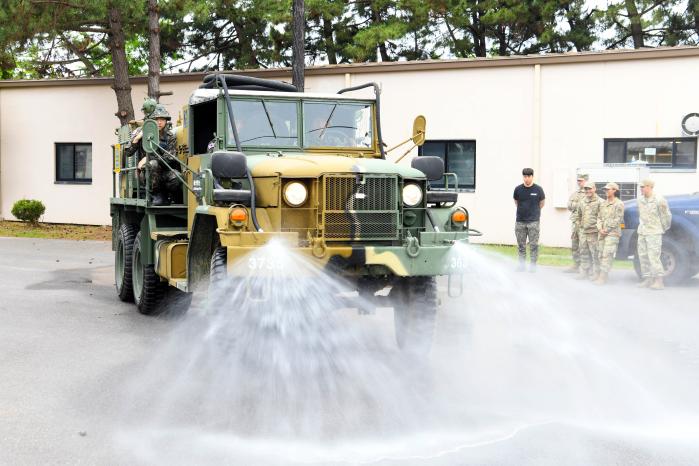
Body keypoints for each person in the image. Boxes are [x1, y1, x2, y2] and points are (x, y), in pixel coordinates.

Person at [130, 104, 180, 206]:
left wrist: (148, 157)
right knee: (153, 164)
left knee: (177, 176)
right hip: (146, 173)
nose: (160, 122)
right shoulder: (141, 131)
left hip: (164, 171)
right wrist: (137, 138)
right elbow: (128, 153)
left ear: (166, 121)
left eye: (162, 119)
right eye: (157, 119)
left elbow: (170, 158)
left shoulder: (170, 136)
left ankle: (168, 196)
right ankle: (156, 195)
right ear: (151, 121)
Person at [636, 178, 672, 290]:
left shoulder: (659, 200)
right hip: (642, 231)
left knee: (653, 257)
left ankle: (659, 281)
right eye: (640, 187)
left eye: (643, 187)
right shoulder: (640, 200)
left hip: (654, 232)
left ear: (649, 187)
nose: (641, 189)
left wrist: (661, 228)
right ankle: (648, 279)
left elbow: (666, 217)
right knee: (643, 256)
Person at [513, 167, 545, 272]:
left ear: (532, 177)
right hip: (520, 222)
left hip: (533, 222)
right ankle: (522, 266)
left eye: (528, 176)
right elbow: (516, 202)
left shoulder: (538, 190)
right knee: (521, 246)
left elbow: (542, 203)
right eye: (524, 176)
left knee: (533, 245)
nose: (526, 179)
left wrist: (533, 213)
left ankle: (533, 266)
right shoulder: (518, 189)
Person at [594, 182, 624, 285]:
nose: (606, 191)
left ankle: (602, 277)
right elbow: (599, 218)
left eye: (608, 189)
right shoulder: (603, 203)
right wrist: (600, 228)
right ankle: (603, 275)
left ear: (614, 190)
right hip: (602, 233)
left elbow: (618, 219)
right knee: (600, 254)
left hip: (612, 233)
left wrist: (606, 229)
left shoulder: (619, 204)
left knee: (607, 255)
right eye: (605, 190)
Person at [576, 180, 603, 280]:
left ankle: (597, 273)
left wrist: (599, 229)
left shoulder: (600, 202)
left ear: (594, 189)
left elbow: (602, 217)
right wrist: (580, 226)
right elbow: (578, 215)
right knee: (583, 252)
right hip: (583, 231)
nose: (588, 191)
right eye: (586, 189)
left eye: (590, 188)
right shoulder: (582, 201)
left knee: (595, 253)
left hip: (594, 232)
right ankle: (584, 272)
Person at [565, 172, 588, 274]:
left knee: (584, 245)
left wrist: (576, 205)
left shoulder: (589, 192)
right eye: (578, 181)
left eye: (581, 181)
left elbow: (587, 207)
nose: (579, 182)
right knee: (575, 244)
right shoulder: (575, 194)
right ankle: (576, 264)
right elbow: (569, 205)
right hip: (575, 223)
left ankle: (584, 267)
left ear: (586, 181)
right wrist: (578, 205)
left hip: (585, 223)